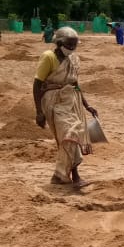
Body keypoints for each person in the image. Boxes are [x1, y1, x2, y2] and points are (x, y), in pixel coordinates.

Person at [32, 26, 97, 188]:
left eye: (74, 46)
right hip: (53, 102)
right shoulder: (48, 57)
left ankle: (66, 176)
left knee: (70, 138)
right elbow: (37, 84)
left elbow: (75, 83)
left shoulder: (74, 59)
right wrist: (39, 112)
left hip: (70, 100)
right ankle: (70, 176)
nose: (72, 49)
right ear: (59, 43)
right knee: (70, 133)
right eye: (69, 45)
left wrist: (87, 105)